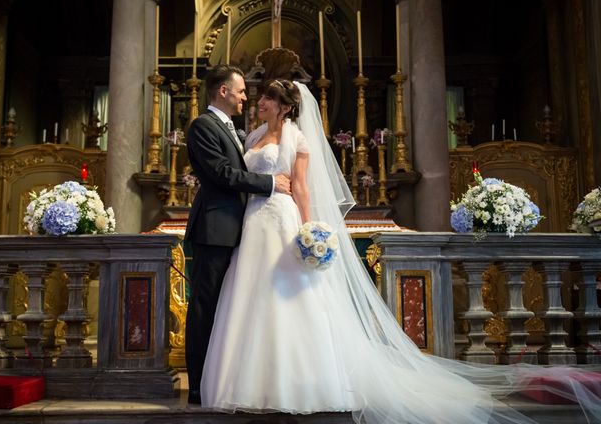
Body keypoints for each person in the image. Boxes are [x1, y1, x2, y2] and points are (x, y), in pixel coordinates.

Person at [200, 79, 601, 423]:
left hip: (284, 221)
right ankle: (250, 380)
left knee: (290, 298)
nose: (259, 103)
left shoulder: (297, 138)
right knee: (249, 298)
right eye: (257, 98)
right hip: (253, 223)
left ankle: (299, 383)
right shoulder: (250, 136)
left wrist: (311, 229)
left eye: (267, 98)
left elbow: (302, 187)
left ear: (285, 106)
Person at [184, 65, 291, 405]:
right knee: (205, 307)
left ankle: (222, 379)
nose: (247, 96)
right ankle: (199, 386)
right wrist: (270, 184)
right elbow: (221, 173)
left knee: (227, 308)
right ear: (223, 91)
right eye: (242, 90)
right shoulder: (203, 126)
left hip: (236, 228)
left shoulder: (232, 127)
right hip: (213, 230)